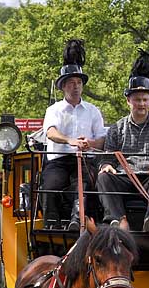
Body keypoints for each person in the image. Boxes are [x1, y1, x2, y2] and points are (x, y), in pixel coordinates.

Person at [97, 50, 149, 232]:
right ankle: (117, 220)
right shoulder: (117, 128)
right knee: (103, 177)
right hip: (124, 178)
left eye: (145, 100)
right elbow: (107, 158)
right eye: (137, 100)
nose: (141, 104)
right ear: (128, 101)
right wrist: (106, 166)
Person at [41, 39, 107, 230]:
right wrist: (70, 140)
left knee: (85, 183)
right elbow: (51, 132)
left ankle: (77, 220)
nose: (76, 86)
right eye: (71, 83)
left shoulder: (93, 110)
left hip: (85, 159)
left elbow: (102, 139)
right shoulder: (53, 110)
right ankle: (51, 223)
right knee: (51, 184)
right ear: (63, 87)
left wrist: (90, 143)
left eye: (78, 82)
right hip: (59, 160)